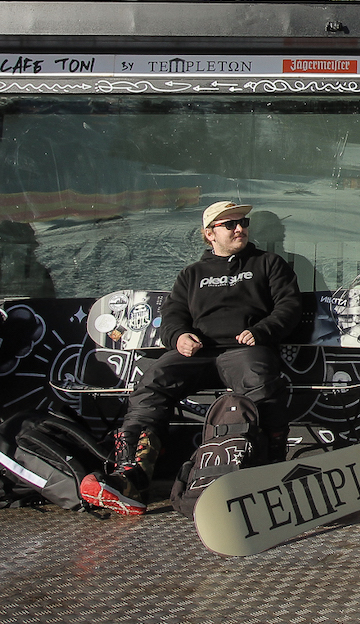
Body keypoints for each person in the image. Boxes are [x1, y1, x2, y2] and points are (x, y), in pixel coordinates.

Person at [82, 200, 302, 514]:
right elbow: (172, 318)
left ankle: (265, 472)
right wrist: (179, 337)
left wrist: (263, 331)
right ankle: (132, 478)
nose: (239, 228)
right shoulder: (191, 274)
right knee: (153, 381)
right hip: (197, 354)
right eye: (230, 224)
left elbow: (289, 307)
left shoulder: (268, 263)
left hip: (244, 350)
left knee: (260, 380)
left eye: (243, 223)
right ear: (209, 234)